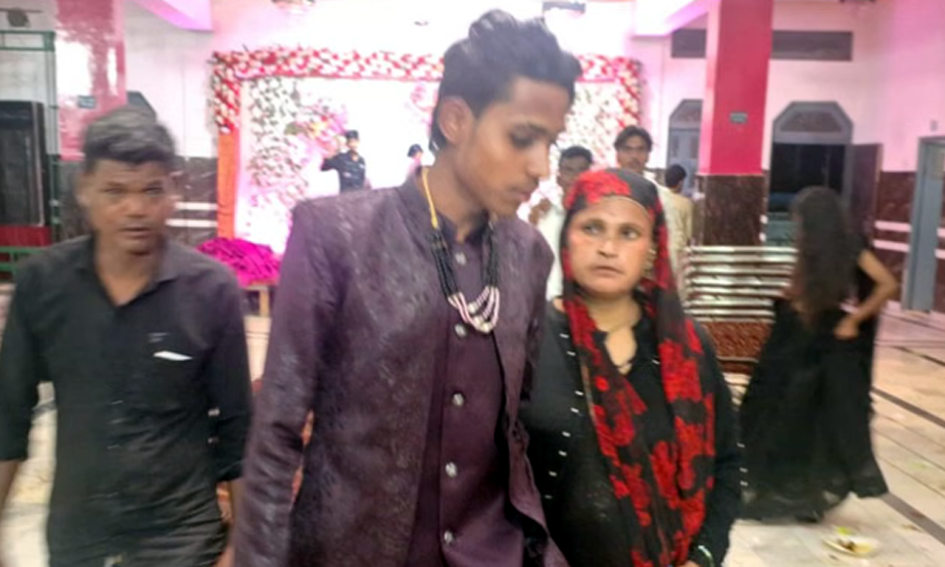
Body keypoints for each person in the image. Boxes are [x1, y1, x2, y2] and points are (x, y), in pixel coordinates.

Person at [234, 10, 581, 567]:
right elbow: (276, 429)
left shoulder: (528, 254)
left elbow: (513, 422)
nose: (541, 166)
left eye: (551, 143)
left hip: (490, 550)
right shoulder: (335, 235)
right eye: (522, 138)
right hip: (352, 550)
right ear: (455, 119)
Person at [0, 106, 252, 567]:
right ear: (85, 190)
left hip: (181, 539)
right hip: (79, 535)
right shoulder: (43, 284)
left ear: (173, 191)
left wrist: (239, 547)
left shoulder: (211, 290)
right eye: (115, 191)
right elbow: (8, 417)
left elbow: (238, 426)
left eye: (151, 190)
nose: (135, 208)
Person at [521, 168, 740, 567]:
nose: (608, 247)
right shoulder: (525, 339)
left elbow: (726, 463)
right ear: (567, 238)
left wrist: (703, 558)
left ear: (653, 248)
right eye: (592, 228)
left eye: (628, 233)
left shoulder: (687, 348)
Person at [740, 186, 899, 522]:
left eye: (801, 220)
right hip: (798, 333)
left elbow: (887, 283)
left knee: (809, 416)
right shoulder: (812, 246)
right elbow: (808, 286)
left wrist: (855, 319)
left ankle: (801, 494)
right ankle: (777, 488)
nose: (798, 227)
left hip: (825, 339)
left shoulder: (850, 245)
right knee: (776, 408)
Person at [614, 126, 686, 276]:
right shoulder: (605, 192)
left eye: (640, 150)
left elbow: (671, 244)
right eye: (627, 149)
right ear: (618, 154)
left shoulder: (660, 196)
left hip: (647, 275)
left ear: (648, 155)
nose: (634, 156)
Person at [528, 145, 593, 299]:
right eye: (569, 170)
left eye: (582, 170)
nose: (575, 177)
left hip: (586, 304)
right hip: (547, 303)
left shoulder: (600, 221)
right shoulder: (543, 217)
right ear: (559, 178)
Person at [664, 164, 694, 290]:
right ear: (680, 182)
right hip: (677, 249)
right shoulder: (686, 204)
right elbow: (689, 233)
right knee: (677, 287)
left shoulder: (659, 197)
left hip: (660, 248)